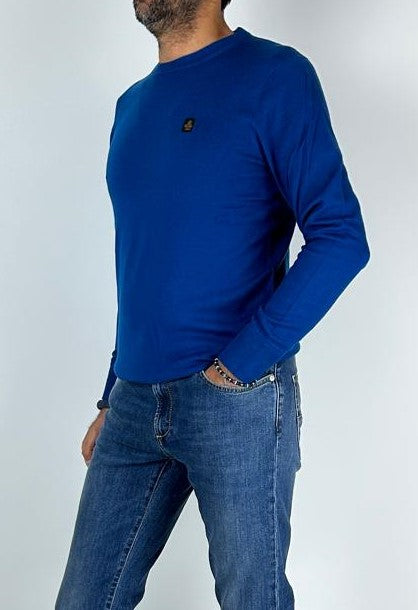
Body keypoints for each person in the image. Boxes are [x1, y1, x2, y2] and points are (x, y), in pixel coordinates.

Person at [55, 0, 370, 608]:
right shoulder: (131, 107)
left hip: (235, 400)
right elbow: (145, 265)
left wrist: (241, 364)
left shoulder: (274, 75)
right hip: (132, 402)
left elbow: (341, 237)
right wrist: (112, 392)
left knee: (252, 600)